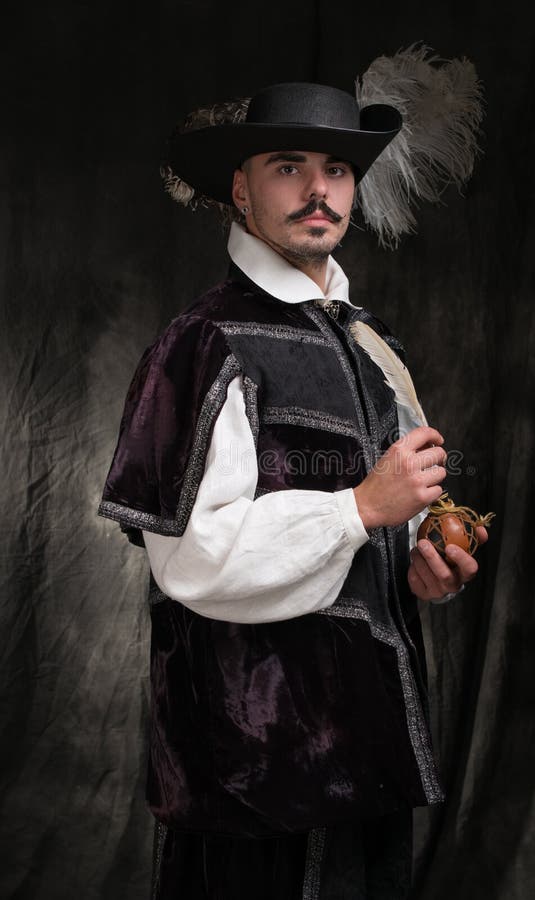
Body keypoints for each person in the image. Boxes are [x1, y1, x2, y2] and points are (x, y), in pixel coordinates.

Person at [99, 80, 486, 900]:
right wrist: (356, 510)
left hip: (369, 754)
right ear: (240, 187)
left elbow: (389, 524)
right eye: (289, 167)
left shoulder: (372, 345)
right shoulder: (204, 344)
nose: (320, 191)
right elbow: (193, 561)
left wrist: (420, 560)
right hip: (251, 768)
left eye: (339, 170)